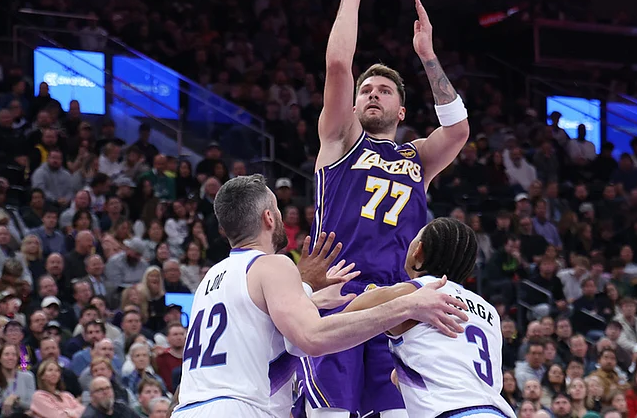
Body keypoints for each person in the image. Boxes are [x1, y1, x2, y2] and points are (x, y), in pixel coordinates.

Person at [299, 0, 470, 418]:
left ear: (401, 107)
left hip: (399, 305)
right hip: (337, 296)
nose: (374, 94)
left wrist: (427, 55)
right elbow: (338, 64)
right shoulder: (340, 140)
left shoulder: (417, 158)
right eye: (367, 90)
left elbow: (457, 130)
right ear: (354, 104)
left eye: (385, 90)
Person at [171, 175, 468, 418]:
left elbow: (257, 332)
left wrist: (309, 296)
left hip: (189, 408)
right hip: (239, 408)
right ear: (269, 219)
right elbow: (313, 339)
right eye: (276, 208)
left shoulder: (211, 279)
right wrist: (407, 304)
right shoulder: (274, 264)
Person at [344, 217, 515, 418]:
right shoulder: (489, 310)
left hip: (452, 412)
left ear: (419, 250)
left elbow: (336, 327)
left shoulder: (412, 292)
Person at [0, 344, 36, 417]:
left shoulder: (28, 377)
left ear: (17, 358)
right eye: (6, 354)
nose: (10, 358)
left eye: (14, 355)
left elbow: (32, 405)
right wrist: (7, 401)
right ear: (0, 359)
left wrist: (15, 400)